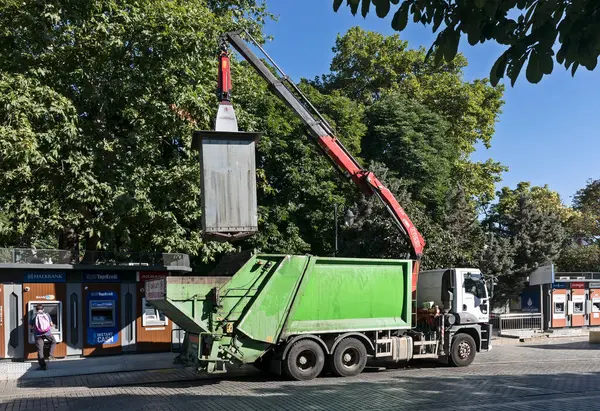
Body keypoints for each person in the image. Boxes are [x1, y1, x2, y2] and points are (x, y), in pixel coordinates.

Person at [29, 304, 56, 370]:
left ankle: (43, 366)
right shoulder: (47, 314)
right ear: (43, 309)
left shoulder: (34, 315)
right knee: (53, 341)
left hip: (38, 335)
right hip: (47, 333)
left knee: (40, 350)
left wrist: (35, 328)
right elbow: (51, 324)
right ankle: (50, 355)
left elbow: (30, 326)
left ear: (36, 309)